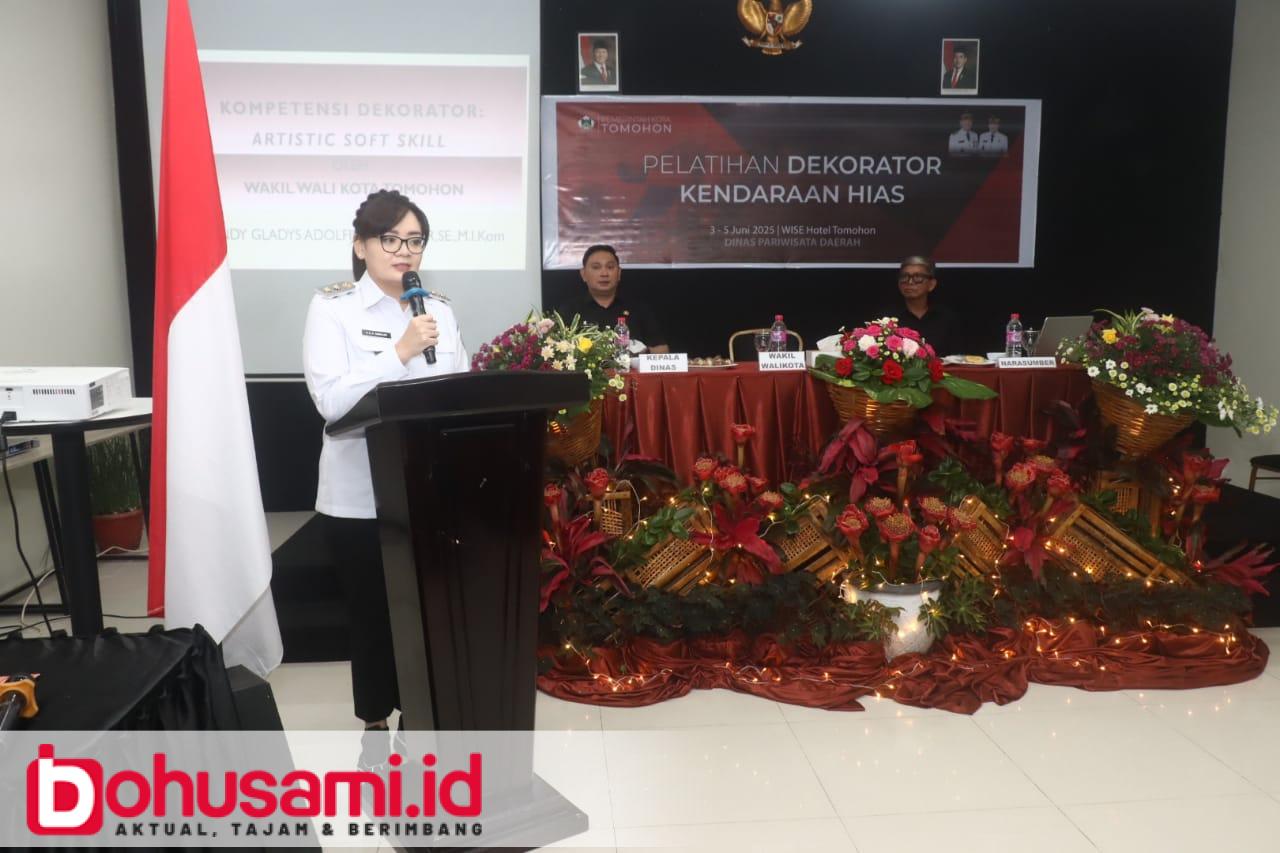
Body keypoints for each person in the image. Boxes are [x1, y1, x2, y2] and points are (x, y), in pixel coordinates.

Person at [302, 190, 468, 765]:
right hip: (358, 496)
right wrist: (399, 352)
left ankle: (420, 721)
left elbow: (460, 390)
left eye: (415, 241)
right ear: (361, 246)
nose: (404, 251)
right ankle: (374, 723)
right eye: (390, 239)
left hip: (428, 491)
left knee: (426, 614)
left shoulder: (438, 310)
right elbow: (331, 402)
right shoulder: (333, 309)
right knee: (373, 616)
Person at [556, 244, 669, 352]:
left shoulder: (639, 309)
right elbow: (557, 349)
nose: (604, 273)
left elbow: (661, 349)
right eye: (596, 267)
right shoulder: (569, 311)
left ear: (619, 273)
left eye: (610, 267)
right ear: (583, 274)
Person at [880, 255, 959, 356]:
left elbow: (958, 357)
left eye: (917, 277)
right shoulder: (886, 318)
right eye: (904, 277)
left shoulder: (947, 318)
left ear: (931, 284)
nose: (910, 282)